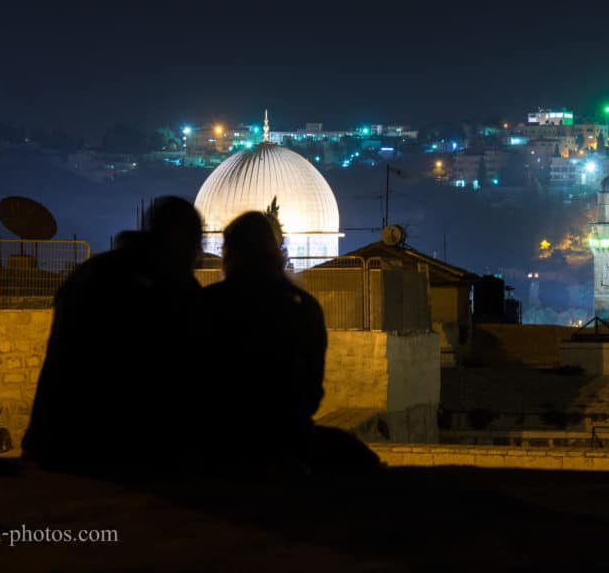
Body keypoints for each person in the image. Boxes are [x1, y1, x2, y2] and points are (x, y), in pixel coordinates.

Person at [23, 196, 204, 477]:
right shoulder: (171, 288)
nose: (200, 257)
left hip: (56, 446)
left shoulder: (91, 272)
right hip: (118, 456)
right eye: (197, 246)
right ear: (180, 240)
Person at [201, 211, 379, 472]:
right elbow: (312, 392)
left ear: (228, 255)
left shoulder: (207, 305)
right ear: (275, 254)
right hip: (288, 438)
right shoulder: (303, 307)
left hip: (221, 443)